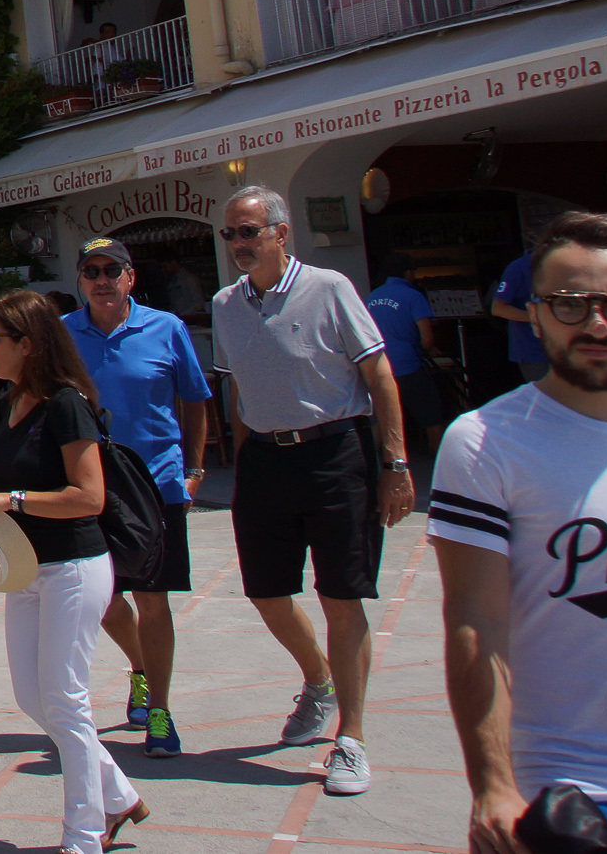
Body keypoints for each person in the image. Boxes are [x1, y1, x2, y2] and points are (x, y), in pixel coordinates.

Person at [211, 184, 414, 797]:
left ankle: (351, 739)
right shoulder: (225, 304)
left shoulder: (329, 288)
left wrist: (395, 464)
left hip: (335, 455)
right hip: (265, 461)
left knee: (341, 596)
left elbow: (379, 376)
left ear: (280, 233)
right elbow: (238, 390)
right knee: (267, 593)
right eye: (230, 234)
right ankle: (318, 681)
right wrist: (242, 463)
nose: (239, 243)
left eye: (249, 231)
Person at [431, 211, 607, 850]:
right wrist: (493, 784)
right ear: (533, 315)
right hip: (570, 794)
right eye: (571, 304)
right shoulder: (489, 442)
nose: (597, 324)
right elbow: (476, 616)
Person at [0, 290, 145, 854]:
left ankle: (84, 835)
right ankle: (118, 794)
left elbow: (89, 497)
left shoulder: (67, 405)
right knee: (32, 696)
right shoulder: (10, 400)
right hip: (26, 568)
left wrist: (11, 499)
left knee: (65, 699)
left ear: (28, 344)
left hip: (74, 566)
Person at [64, 238, 213, 759]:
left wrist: (194, 470)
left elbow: (195, 401)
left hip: (156, 485)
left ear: (130, 278)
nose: (102, 280)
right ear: (81, 281)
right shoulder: (63, 334)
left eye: (113, 270)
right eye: (91, 271)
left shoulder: (166, 328)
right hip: (91, 488)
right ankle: (141, 669)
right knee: (102, 597)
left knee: (153, 600)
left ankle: (160, 712)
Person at [364, 253, 447, 451]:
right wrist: (425, 351)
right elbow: (427, 338)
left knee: (383, 417)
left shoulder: (371, 297)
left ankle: (368, 461)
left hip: (378, 366)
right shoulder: (413, 296)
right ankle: (438, 460)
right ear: (408, 273)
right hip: (408, 366)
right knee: (431, 415)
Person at [491, 252, 549, 387]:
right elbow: (498, 308)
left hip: (564, 348)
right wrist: (538, 318)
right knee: (545, 396)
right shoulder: (518, 268)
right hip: (533, 350)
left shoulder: (564, 265)